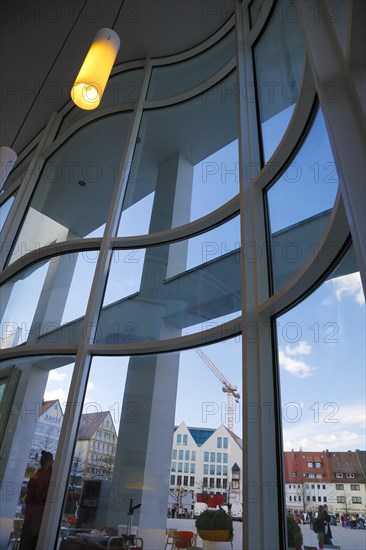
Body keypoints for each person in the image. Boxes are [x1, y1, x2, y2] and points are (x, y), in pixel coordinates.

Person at [19, 451, 54, 550]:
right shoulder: (50, 477)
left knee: (25, 544)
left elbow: (28, 497)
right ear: (49, 462)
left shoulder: (34, 475)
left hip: (30, 515)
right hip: (41, 517)